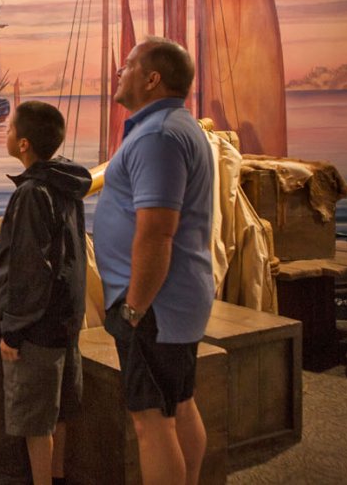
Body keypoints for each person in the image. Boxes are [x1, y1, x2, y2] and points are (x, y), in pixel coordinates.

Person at [93, 36, 215, 485]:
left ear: (152, 78)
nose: (119, 73)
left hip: (154, 305)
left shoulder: (159, 137)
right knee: (179, 402)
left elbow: (157, 232)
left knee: (150, 421)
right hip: (174, 300)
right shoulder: (174, 127)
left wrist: (134, 308)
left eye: (127, 66)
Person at [0, 100, 91, 485]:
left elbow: (28, 270)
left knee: (38, 422)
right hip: (65, 320)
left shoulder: (33, 193)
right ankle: (58, 477)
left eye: (8, 128)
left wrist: (12, 329)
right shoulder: (64, 183)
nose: (6, 133)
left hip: (38, 327)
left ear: (23, 144)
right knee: (59, 412)